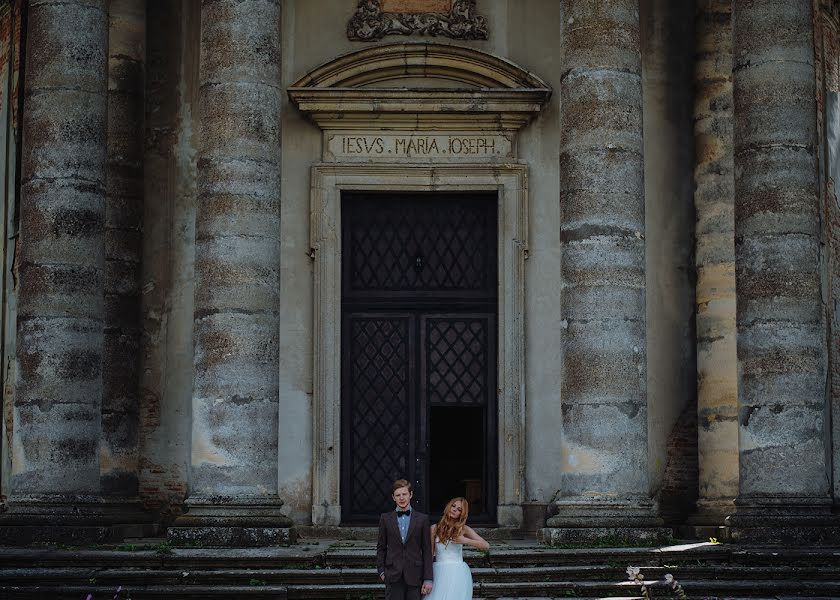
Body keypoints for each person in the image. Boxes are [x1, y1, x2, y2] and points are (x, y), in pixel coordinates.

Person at [376, 479, 434, 599]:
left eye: (404, 494)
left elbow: (427, 550)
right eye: (398, 495)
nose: (401, 498)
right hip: (392, 574)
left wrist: (428, 578)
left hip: (415, 574)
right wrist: (381, 571)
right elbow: (381, 547)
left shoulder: (423, 519)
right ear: (393, 497)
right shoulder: (385, 519)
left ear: (410, 495)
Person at [425, 497, 489, 600]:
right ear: (448, 506)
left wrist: (465, 541)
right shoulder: (434, 528)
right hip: (438, 572)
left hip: (457, 572)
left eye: (459, 509)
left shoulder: (463, 529)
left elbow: (486, 545)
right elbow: (430, 554)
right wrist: (427, 578)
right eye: (453, 506)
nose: (455, 510)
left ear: (462, 514)